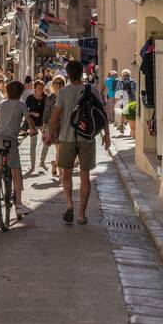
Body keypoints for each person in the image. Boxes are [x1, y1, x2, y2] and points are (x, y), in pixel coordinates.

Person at [46, 60, 111, 225]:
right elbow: (101, 114)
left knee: (66, 174)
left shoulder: (63, 92)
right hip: (87, 138)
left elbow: (55, 116)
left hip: (67, 138)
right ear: (82, 73)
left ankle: (69, 204)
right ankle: (81, 214)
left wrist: (49, 134)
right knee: (85, 176)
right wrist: (107, 136)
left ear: (67, 74)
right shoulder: (92, 90)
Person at [0, 81, 37, 222]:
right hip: (10, 140)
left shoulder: (2, 104)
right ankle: (18, 204)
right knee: (16, 170)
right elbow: (29, 119)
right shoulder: (21, 105)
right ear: (20, 93)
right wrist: (33, 130)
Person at [40, 74, 64, 177]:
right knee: (59, 149)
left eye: (61, 83)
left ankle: (55, 163)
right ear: (53, 84)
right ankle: (61, 173)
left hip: (65, 126)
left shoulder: (66, 96)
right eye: (57, 83)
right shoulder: (50, 98)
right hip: (54, 127)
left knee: (62, 151)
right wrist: (44, 131)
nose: (59, 85)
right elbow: (46, 115)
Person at [23, 79, 48, 174]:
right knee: (33, 145)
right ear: (35, 89)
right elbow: (24, 111)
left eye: (42, 88)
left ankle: (42, 161)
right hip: (33, 124)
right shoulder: (30, 98)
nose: (41, 90)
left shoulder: (46, 98)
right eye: (39, 88)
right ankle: (32, 166)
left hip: (44, 124)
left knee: (46, 142)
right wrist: (32, 113)